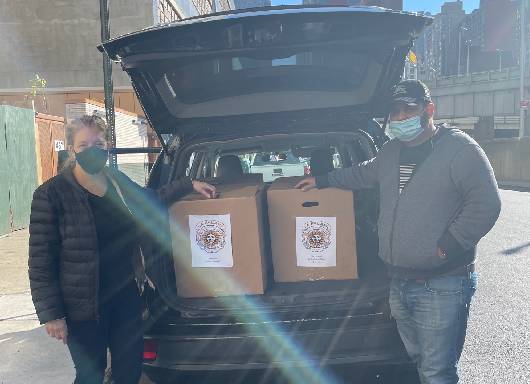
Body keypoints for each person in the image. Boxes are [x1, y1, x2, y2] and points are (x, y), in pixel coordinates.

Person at [295, 80, 501, 384]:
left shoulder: (459, 149)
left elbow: (487, 205)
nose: (401, 117)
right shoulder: (391, 151)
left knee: (437, 370)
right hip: (399, 280)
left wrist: (446, 246)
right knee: (418, 360)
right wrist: (323, 179)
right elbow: (363, 172)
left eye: (409, 109)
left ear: (429, 109)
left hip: (441, 282)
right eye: (395, 111)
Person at [28, 115, 216, 384]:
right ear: (71, 149)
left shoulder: (116, 180)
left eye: (99, 143)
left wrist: (187, 185)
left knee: (129, 371)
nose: (92, 150)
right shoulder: (51, 194)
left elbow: (150, 200)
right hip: (82, 307)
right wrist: (51, 314)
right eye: (84, 145)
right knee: (90, 375)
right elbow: (40, 259)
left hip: (125, 298)